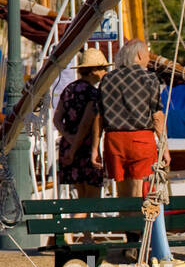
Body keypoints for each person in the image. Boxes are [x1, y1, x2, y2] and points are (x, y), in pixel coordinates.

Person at [94, 38, 166, 197]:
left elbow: (99, 116)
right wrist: (164, 148)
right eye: (147, 55)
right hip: (141, 140)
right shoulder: (149, 78)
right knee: (141, 194)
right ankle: (138, 222)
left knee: (123, 196)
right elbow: (157, 116)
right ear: (140, 55)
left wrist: (94, 148)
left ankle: (124, 219)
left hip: (114, 142)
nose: (148, 59)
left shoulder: (107, 78)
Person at [53, 48, 108, 208]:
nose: (105, 72)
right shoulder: (93, 93)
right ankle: (73, 232)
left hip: (68, 145)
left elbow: (57, 119)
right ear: (93, 71)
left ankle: (85, 234)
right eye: (103, 68)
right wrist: (75, 146)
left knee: (80, 198)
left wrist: (68, 137)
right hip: (85, 148)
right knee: (92, 200)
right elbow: (85, 125)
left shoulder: (69, 89)